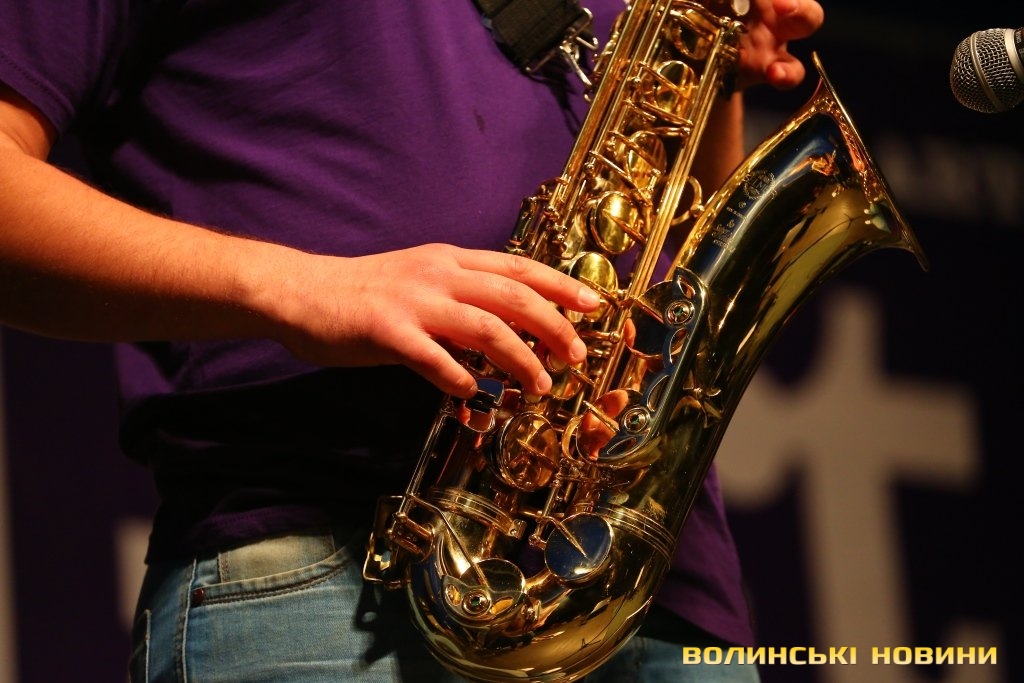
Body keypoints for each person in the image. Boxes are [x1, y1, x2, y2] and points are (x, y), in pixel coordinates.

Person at [0, 0, 823, 681]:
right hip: (337, 576)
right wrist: (305, 286)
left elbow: (675, 258)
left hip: (657, 589)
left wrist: (713, 75)